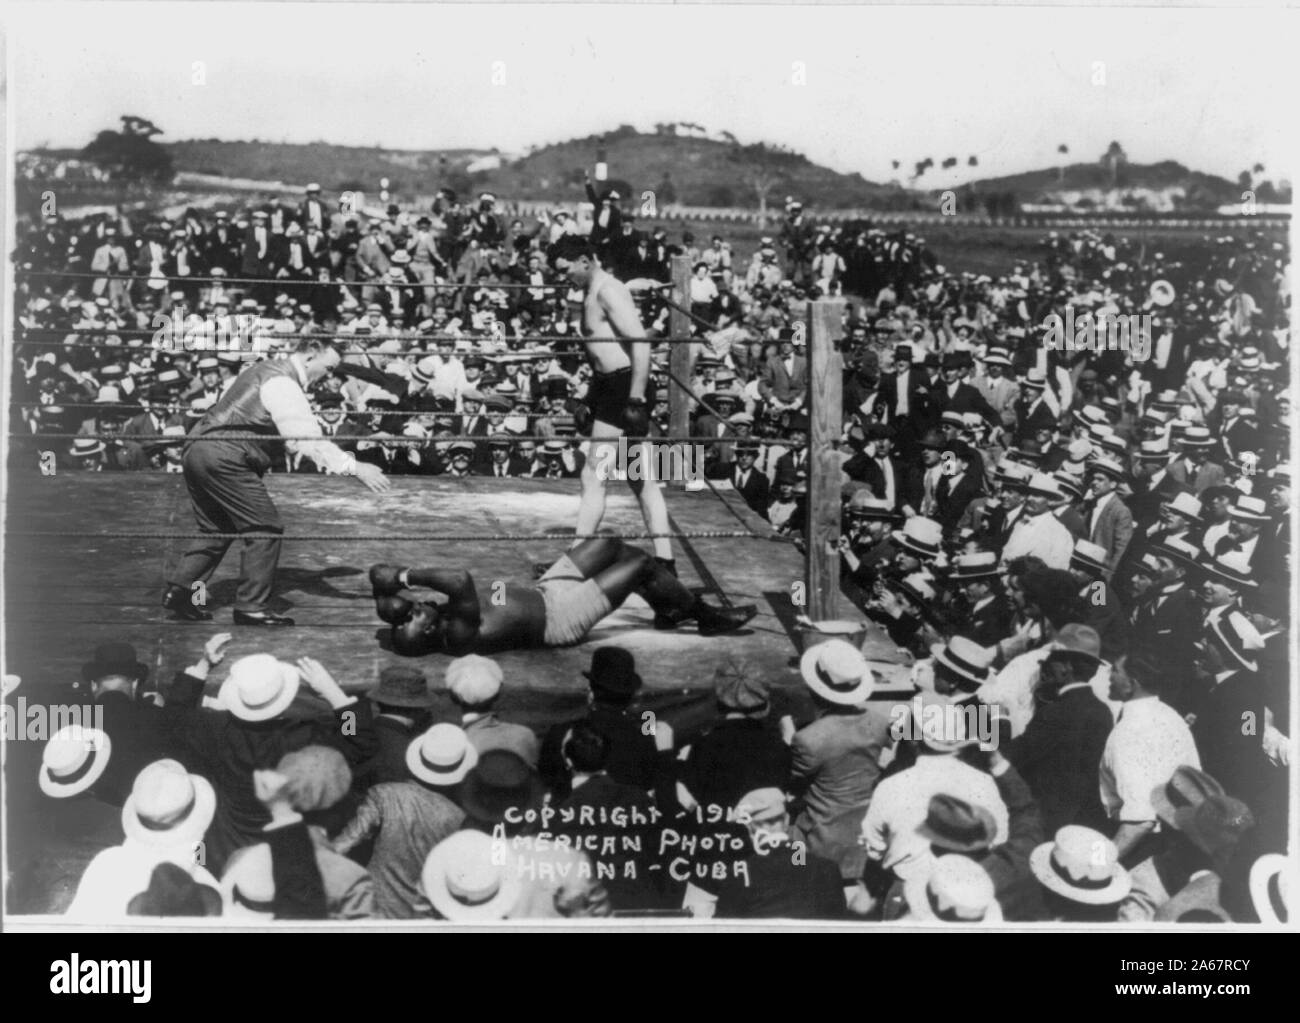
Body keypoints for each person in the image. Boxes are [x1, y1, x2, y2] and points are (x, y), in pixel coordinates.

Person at [162, 339, 389, 626]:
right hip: (225, 456)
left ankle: (181, 591)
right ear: (309, 358)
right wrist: (355, 467)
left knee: (216, 527)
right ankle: (251, 607)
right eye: (327, 367)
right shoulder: (284, 384)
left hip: (197, 448)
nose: (329, 375)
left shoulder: (263, 368)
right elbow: (304, 441)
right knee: (265, 528)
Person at [369, 536, 755, 655]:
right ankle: (704, 617)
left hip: (545, 592)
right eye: (411, 617)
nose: (415, 606)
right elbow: (459, 578)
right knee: (642, 565)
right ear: (424, 634)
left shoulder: (440, 619)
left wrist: (386, 586)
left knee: (609, 544)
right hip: (560, 620)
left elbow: (385, 593)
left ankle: (668, 610)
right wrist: (404, 575)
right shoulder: (456, 633)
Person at [547, 235, 676, 570]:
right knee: (640, 477)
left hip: (624, 386)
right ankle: (665, 561)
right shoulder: (593, 290)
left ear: (585, 261)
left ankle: (575, 562)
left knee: (596, 475)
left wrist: (634, 398)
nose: (564, 277)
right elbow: (603, 352)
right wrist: (591, 397)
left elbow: (641, 345)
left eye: (566, 270)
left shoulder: (607, 290)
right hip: (611, 386)